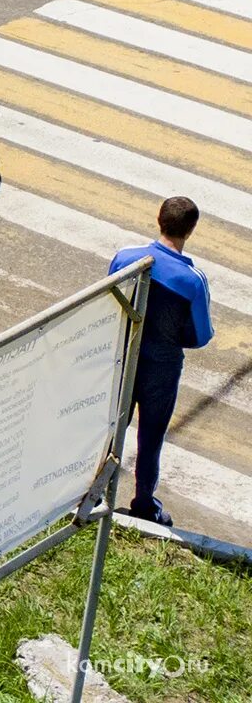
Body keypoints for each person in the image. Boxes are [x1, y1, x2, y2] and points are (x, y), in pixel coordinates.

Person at [109, 197, 213, 525]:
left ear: (159, 218)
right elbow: (201, 336)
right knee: (151, 438)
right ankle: (143, 503)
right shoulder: (192, 281)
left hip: (123, 357)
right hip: (163, 367)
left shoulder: (125, 257)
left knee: (111, 427)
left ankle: (93, 490)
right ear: (191, 230)